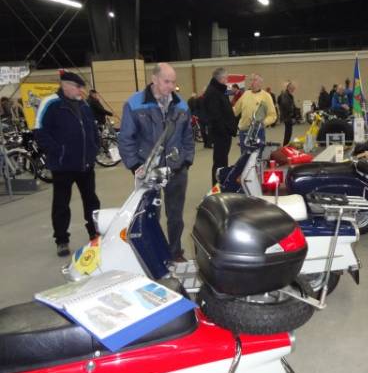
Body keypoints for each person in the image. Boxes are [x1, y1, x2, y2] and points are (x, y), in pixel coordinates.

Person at [118, 63, 195, 263]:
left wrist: (186, 160)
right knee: (150, 215)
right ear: (154, 79)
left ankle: (175, 252)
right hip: (149, 171)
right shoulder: (134, 104)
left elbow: (188, 135)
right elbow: (126, 138)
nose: (171, 86)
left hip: (177, 170)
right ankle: (156, 254)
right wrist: (135, 166)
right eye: (166, 81)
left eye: (173, 82)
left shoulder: (181, 105)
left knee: (176, 215)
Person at [33, 71, 100, 257]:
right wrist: (57, 151)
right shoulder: (51, 103)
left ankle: (94, 233)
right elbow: (39, 131)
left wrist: (94, 148)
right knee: (61, 204)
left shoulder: (84, 104)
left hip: (85, 165)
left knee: (91, 201)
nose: (81, 91)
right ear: (66, 85)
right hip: (62, 166)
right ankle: (62, 240)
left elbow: (92, 129)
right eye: (78, 87)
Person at [205, 67, 236, 184]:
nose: (227, 79)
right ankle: (217, 186)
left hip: (223, 133)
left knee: (222, 161)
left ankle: (220, 184)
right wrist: (226, 130)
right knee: (219, 162)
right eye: (226, 77)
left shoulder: (218, 90)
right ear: (221, 78)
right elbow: (216, 116)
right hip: (220, 134)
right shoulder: (213, 92)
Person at [234, 73, 277, 153]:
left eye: (255, 80)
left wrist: (262, 123)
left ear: (260, 83)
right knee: (244, 157)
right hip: (243, 132)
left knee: (257, 156)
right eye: (251, 80)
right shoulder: (246, 94)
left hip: (258, 132)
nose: (252, 82)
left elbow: (273, 115)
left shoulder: (266, 96)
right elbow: (236, 110)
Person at [278, 81, 296, 146]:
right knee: (288, 132)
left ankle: (286, 145)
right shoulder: (285, 95)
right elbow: (285, 105)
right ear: (289, 88)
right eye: (293, 88)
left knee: (288, 132)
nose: (294, 89)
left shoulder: (288, 95)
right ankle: (285, 145)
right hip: (287, 117)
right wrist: (291, 113)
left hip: (287, 116)